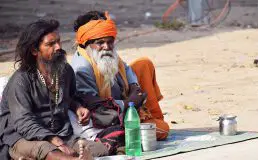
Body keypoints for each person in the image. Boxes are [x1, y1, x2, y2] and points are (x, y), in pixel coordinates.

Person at [0, 19, 111, 160]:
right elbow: (24, 122)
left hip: (61, 133)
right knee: (48, 151)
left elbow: (70, 97)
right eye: (51, 44)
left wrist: (77, 107)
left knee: (100, 150)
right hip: (23, 137)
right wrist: (57, 143)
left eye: (58, 41)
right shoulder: (20, 80)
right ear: (34, 50)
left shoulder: (65, 70)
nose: (58, 47)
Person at [70, 11, 169, 140]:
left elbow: (126, 68)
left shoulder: (104, 53)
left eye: (110, 42)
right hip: (108, 118)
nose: (106, 47)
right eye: (100, 43)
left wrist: (134, 87)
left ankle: (151, 118)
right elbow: (96, 108)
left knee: (143, 64)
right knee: (162, 130)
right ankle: (147, 125)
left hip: (126, 102)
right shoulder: (81, 69)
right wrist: (129, 102)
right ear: (86, 43)